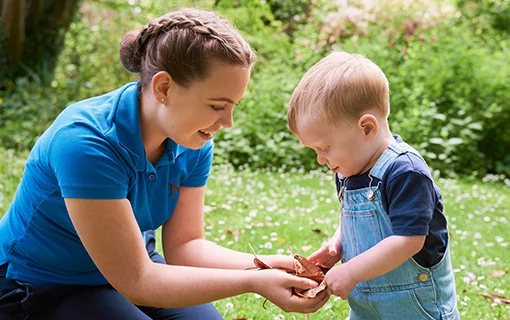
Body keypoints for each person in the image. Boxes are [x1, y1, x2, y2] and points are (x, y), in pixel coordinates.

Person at [0, 8, 329, 320]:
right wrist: (251, 282)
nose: (227, 122)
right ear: (164, 88)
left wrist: (265, 267)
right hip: (44, 285)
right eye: (217, 106)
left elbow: (186, 247)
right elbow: (137, 280)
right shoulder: (86, 142)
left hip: (134, 265)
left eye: (233, 107)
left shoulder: (192, 140)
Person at [287, 51, 459, 319]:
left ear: (367, 128)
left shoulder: (405, 172)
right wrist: (338, 243)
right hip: (367, 308)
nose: (321, 159)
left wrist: (351, 271)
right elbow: (356, 219)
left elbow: (409, 240)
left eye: (325, 147)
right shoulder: (348, 169)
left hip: (415, 307)